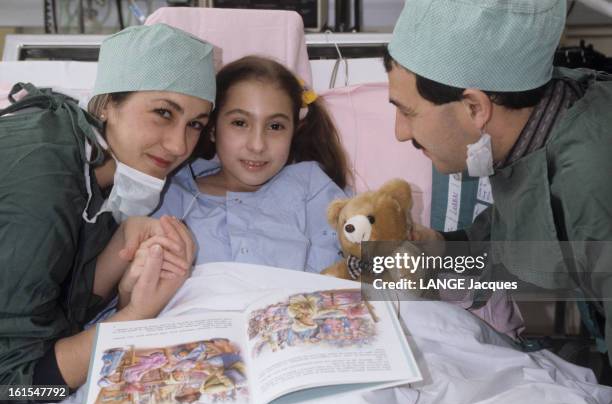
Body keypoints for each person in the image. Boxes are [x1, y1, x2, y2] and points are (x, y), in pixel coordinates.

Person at [385, 0, 612, 364]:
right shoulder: (535, 129)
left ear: (475, 108)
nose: (399, 133)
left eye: (407, 112)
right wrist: (443, 247)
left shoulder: (593, 186)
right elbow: (517, 237)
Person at [0, 23, 216, 388]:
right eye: (163, 113)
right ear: (107, 103)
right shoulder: (45, 181)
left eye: (194, 124)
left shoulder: (89, 161)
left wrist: (120, 248)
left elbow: (55, 313)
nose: (180, 146)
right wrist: (135, 316)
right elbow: (18, 385)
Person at [155, 56, 350, 273]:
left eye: (275, 126)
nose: (257, 145)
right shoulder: (170, 194)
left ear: (294, 131)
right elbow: (138, 294)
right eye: (240, 123)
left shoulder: (313, 189)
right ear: (212, 128)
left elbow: (379, 272)